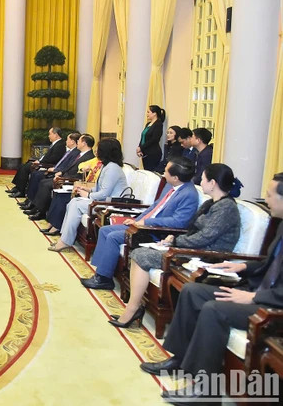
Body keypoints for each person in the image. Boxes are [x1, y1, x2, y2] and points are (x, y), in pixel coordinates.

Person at [139, 173, 283, 404]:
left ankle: (206, 391)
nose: (266, 200)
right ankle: (180, 359)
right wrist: (243, 265)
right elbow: (270, 263)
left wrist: (253, 296)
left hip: (272, 305)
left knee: (214, 310)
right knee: (192, 291)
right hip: (260, 292)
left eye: (269, 195)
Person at [110, 163, 242, 328]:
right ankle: (133, 307)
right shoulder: (211, 203)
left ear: (213, 183)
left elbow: (204, 237)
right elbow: (193, 230)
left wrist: (175, 242)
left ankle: (132, 309)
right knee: (140, 253)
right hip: (193, 248)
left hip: (206, 255)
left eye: (203, 179)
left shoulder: (226, 208)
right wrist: (174, 237)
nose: (200, 183)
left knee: (140, 255)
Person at [79, 156, 200, 290]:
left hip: (156, 233)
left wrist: (146, 222)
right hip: (144, 225)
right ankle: (100, 273)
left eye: (166, 171)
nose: (163, 174)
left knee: (113, 237)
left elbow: (178, 222)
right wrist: (136, 220)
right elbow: (154, 207)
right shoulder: (172, 186)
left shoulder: (189, 194)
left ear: (176, 177)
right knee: (105, 230)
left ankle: (104, 279)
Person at [48, 138, 129, 252]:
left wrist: (87, 195)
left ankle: (65, 241)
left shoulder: (113, 168)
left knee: (75, 204)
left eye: (98, 149)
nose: (96, 151)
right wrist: (84, 188)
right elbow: (98, 187)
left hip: (110, 205)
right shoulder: (106, 166)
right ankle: (65, 238)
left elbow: (104, 193)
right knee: (73, 202)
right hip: (103, 201)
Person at [24, 134, 95, 221]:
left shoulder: (89, 157)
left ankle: (40, 211)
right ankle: (37, 208)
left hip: (71, 180)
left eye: (79, 141)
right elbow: (68, 166)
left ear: (84, 143)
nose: (77, 143)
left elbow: (80, 175)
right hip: (64, 176)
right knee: (44, 182)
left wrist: (63, 177)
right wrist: (61, 172)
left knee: (46, 184)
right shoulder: (79, 154)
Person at [8, 127, 66, 198]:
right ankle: (18, 187)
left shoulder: (60, 145)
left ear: (55, 135)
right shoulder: (55, 143)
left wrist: (40, 162)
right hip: (42, 162)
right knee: (23, 165)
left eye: (50, 134)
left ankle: (21, 191)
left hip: (46, 165)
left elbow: (54, 158)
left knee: (26, 167)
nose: (48, 136)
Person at [136, 105, 165, 171]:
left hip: (153, 153)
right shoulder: (148, 124)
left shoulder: (158, 124)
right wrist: (139, 147)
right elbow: (143, 136)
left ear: (154, 113)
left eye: (148, 112)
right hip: (145, 152)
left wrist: (141, 147)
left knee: (150, 172)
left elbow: (154, 139)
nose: (147, 114)